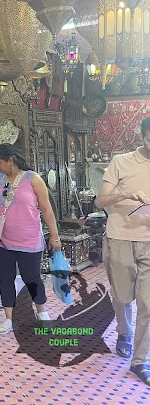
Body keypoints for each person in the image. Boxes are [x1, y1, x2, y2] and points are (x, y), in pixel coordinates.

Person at [0, 144, 61, 335]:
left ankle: (41, 312)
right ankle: (9, 319)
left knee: (32, 278)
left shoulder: (33, 179)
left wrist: (54, 236)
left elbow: (47, 209)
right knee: (6, 278)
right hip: (3, 241)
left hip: (29, 240)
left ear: (10, 161)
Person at [95, 116, 150, 387]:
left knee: (148, 303)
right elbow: (100, 199)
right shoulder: (122, 162)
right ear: (143, 137)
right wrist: (125, 196)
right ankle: (124, 332)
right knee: (123, 297)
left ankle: (140, 361)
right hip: (120, 238)